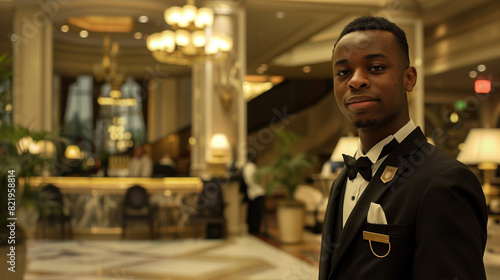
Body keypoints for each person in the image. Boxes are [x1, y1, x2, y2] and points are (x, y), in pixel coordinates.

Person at [319, 16, 487, 280]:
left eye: (375, 68)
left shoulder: (444, 181)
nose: (356, 80)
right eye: (343, 72)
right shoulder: (343, 178)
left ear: (409, 78)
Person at [242, 155, 266, 234]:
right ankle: (254, 229)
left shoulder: (249, 166)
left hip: (254, 192)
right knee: (255, 213)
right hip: (255, 193)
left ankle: (254, 229)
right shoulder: (250, 166)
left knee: (254, 213)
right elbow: (250, 181)